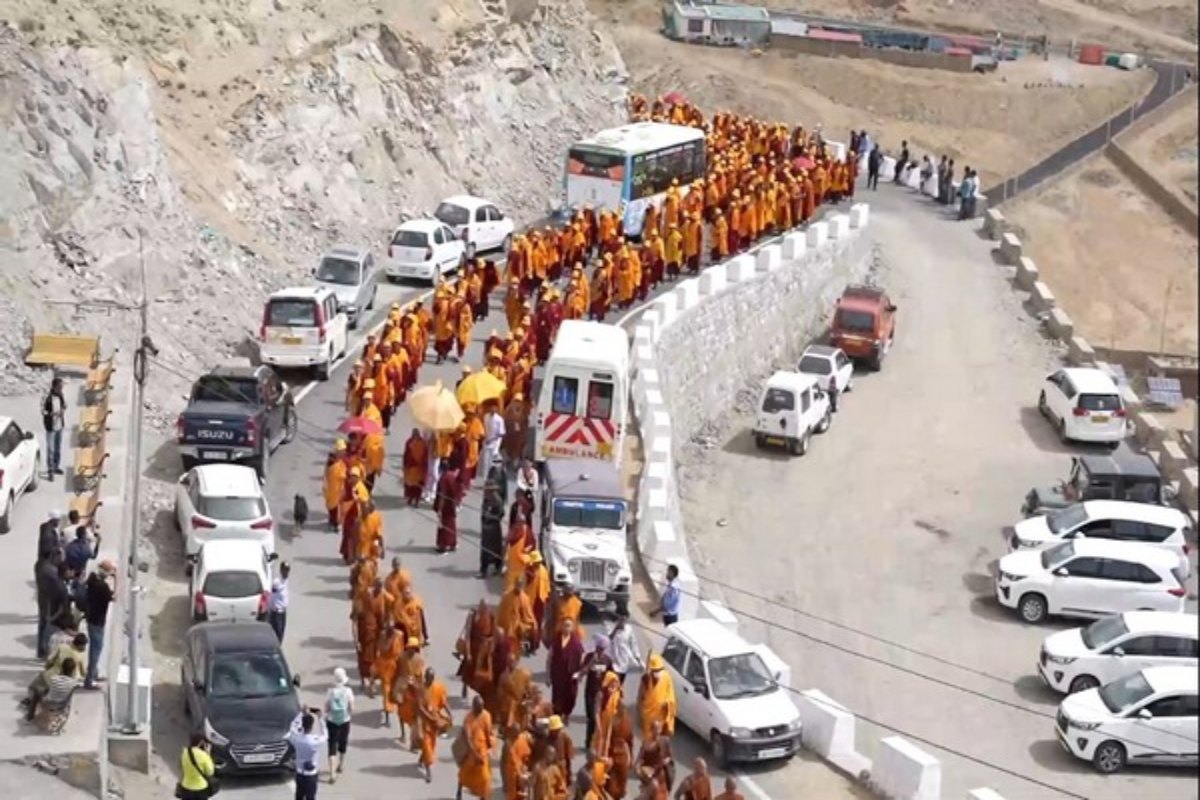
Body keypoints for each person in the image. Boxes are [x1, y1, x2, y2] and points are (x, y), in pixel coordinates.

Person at [576, 635, 614, 747]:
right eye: (598, 648)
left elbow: (612, 677)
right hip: (590, 692)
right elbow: (581, 674)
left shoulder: (607, 661)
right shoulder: (589, 657)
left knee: (601, 718)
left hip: (602, 693)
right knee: (592, 718)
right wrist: (590, 664)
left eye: (602, 649)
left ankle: (599, 741)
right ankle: (588, 742)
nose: (599, 651)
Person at [83, 560, 115, 689]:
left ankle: (93, 673)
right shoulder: (102, 587)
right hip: (97, 621)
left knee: (94, 648)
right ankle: (89, 679)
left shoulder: (91, 579)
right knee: (96, 649)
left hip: (91, 617)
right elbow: (115, 596)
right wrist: (118, 579)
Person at [417, 667, 452, 783]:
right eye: (428, 678)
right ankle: (428, 772)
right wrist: (430, 717)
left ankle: (422, 759)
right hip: (425, 722)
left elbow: (443, 701)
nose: (430, 680)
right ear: (425, 677)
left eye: (432, 678)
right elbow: (420, 708)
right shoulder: (421, 689)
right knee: (427, 745)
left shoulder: (437, 687)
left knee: (431, 744)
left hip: (435, 721)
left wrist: (449, 713)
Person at [457, 695, 495, 800]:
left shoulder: (486, 715)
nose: (480, 710)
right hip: (471, 752)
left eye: (482, 707)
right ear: (473, 706)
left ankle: (483, 797)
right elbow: (468, 739)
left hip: (482, 751)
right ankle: (459, 790)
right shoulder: (468, 718)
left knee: (485, 777)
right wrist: (475, 754)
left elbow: (489, 732)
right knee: (464, 774)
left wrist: (490, 746)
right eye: (478, 708)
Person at [547, 617, 585, 721]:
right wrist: (548, 675)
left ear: (572, 628)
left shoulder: (576, 642)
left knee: (571, 696)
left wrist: (580, 673)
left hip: (571, 676)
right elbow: (550, 657)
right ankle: (556, 717)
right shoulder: (556, 640)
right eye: (565, 625)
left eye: (569, 626)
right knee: (557, 696)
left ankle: (567, 713)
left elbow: (581, 658)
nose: (566, 628)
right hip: (558, 674)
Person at [287, 708, 328, 799]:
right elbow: (325, 734)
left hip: (300, 773)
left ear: (303, 724)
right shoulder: (315, 741)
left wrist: (301, 713)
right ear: (312, 726)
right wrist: (320, 719)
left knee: (299, 796)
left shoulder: (297, 739)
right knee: (311, 797)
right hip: (311, 775)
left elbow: (292, 727)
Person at [324, 667, 355, 781]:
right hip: (344, 720)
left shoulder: (330, 692)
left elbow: (326, 709)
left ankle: (332, 773)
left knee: (332, 745)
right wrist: (348, 714)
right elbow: (352, 708)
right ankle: (341, 765)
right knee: (343, 743)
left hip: (332, 721)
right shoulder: (348, 691)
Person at [637, 655, 677, 742]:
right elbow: (640, 697)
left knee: (660, 741)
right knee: (648, 741)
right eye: (655, 670)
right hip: (648, 716)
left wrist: (667, 703)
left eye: (659, 670)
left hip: (661, 715)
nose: (657, 672)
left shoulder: (666, 677)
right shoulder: (646, 679)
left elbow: (671, 694)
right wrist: (640, 715)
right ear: (651, 670)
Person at [176, 732, 216, 800]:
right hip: (200, 788)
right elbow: (210, 772)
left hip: (186, 787)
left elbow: (180, 767)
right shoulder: (203, 755)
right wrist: (208, 755)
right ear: (201, 742)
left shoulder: (184, 752)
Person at [608, 611, 643, 687]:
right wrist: (616, 629)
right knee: (611, 682)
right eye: (620, 619)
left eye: (623, 619)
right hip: (614, 660)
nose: (622, 621)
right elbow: (609, 638)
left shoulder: (629, 630)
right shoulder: (613, 627)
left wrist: (637, 656)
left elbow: (633, 644)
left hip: (624, 661)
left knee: (619, 684)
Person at [42, 376, 66, 480]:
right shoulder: (47, 397)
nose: (61, 389)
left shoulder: (61, 395)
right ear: (54, 387)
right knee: (50, 449)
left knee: (58, 448)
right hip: (51, 426)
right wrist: (52, 414)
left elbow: (64, 405)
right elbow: (43, 411)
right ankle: (50, 470)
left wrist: (62, 410)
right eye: (60, 387)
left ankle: (56, 466)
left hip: (59, 425)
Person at [480, 481, 505, 578]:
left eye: (488, 490)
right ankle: (483, 570)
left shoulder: (497, 501)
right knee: (484, 549)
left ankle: (497, 566)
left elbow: (500, 514)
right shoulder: (486, 499)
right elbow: (483, 510)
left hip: (494, 528)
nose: (486, 492)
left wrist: (491, 517)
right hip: (486, 528)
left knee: (495, 549)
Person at [402, 428, 429, 507]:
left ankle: (417, 500)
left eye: (416, 435)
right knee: (410, 485)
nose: (415, 436)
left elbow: (425, 456)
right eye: (414, 435)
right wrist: (405, 465)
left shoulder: (423, 444)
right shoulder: (409, 442)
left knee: (418, 486)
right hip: (411, 467)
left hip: (419, 468)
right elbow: (406, 454)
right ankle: (410, 498)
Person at [268, 561, 290, 643]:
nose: (286, 573)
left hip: (283, 612)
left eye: (287, 571)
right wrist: (271, 608)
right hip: (277, 612)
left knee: (281, 634)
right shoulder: (277, 583)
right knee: (277, 634)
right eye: (284, 570)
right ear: (281, 571)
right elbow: (272, 596)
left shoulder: (286, 581)